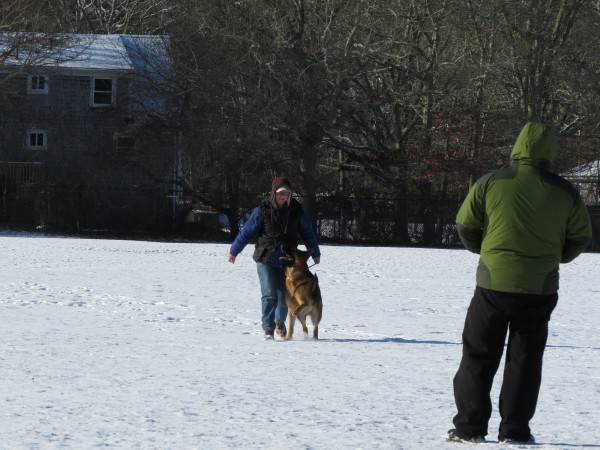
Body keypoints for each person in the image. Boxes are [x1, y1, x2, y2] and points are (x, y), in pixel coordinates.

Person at [448, 122, 592, 444]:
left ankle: (469, 429)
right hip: (539, 287)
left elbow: (464, 223)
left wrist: (484, 252)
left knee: (478, 355)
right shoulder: (564, 191)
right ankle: (515, 431)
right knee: (525, 360)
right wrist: (557, 257)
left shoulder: (491, 182)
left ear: (518, 146)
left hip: (492, 285)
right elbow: (581, 236)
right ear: (549, 151)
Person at [227, 177, 321, 340]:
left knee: (284, 296)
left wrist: (315, 252)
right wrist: (234, 250)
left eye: (286, 194)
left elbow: (307, 232)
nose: (283, 197)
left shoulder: (296, 211)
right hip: (266, 258)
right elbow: (247, 231)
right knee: (269, 293)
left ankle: (279, 322)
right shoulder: (262, 210)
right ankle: (268, 329)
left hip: (287, 261)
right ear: (273, 194)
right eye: (280, 194)